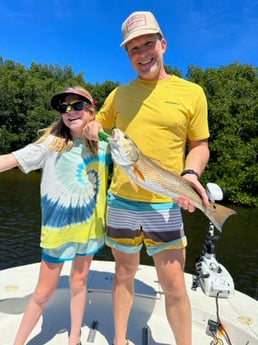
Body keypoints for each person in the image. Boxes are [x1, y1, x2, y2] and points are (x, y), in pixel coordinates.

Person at [84, 11, 210, 345]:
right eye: (133, 48)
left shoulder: (192, 92)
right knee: (123, 274)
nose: (142, 53)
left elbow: (200, 146)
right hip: (121, 200)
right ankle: (120, 340)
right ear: (127, 54)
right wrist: (93, 126)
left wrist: (191, 173)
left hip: (166, 200)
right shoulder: (118, 94)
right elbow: (96, 124)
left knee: (174, 285)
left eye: (148, 43)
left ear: (163, 44)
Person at [0, 86, 111, 345]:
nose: (70, 112)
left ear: (91, 110)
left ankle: (74, 337)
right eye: (64, 108)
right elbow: (14, 159)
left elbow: (138, 165)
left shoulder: (105, 143)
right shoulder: (53, 143)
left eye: (77, 105)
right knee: (42, 293)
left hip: (90, 229)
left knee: (79, 282)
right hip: (57, 231)